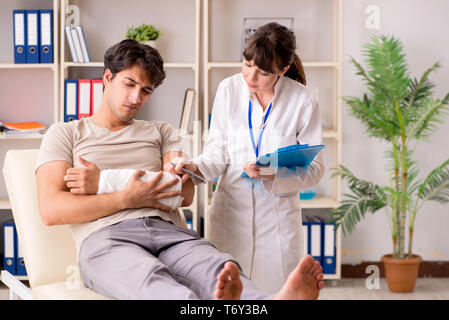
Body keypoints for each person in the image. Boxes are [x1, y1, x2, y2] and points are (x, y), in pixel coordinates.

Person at [35, 39, 324, 300]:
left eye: (146, 90)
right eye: (129, 84)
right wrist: (127, 198)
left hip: (170, 232)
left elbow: (181, 192)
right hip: (107, 238)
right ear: (108, 77)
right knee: (150, 281)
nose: (136, 98)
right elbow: (52, 210)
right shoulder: (65, 134)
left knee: (219, 269)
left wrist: (103, 182)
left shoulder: (161, 132)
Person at [167, 22, 326, 293]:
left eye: (263, 72)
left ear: (283, 70)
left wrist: (272, 173)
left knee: (275, 294)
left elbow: (315, 170)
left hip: (276, 223)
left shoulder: (303, 100)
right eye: (246, 64)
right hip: (231, 216)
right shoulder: (228, 89)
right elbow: (217, 152)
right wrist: (192, 166)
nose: (251, 76)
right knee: (225, 294)